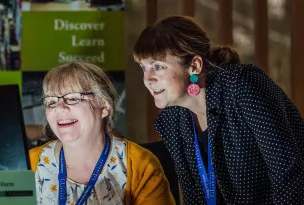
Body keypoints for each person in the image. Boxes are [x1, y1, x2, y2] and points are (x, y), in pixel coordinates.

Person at [133, 15, 304, 205]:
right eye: (143, 67)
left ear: (194, 66)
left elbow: (289, 171)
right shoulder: (172, 120)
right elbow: (195, 198)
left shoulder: (241, 85)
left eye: (157, 66)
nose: (148, 78)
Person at [29, 62, 175, 205]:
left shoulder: (139, 164)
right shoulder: (29, 164)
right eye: (51, 102)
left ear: (104, 106)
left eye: (73, 98)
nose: (59, 108)